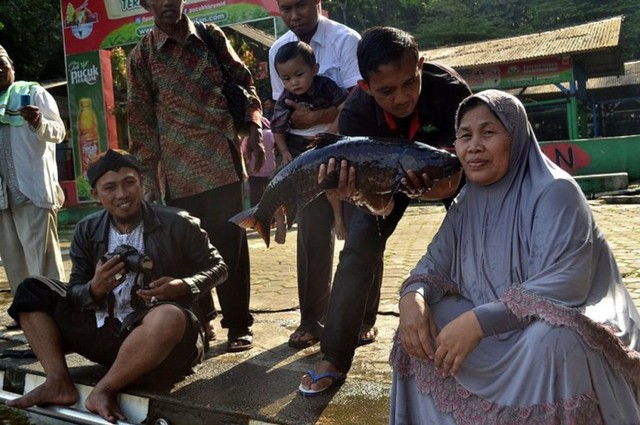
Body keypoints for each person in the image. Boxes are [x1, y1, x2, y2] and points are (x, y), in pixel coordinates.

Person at [389, 89, 640, 423]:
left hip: (562, 324)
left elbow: (566, 285)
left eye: (488, 132)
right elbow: (433, 264)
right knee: (418, 329)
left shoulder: (555, 192)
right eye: (465, 135)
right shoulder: (468, 202)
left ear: (516, 137)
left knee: (555, 342)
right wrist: (412, 297)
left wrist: (479, 322)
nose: (474, 145)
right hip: (500, 325)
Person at [299, 27, 472, 395]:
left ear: (421, 66)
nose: (402, 98)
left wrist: (442, 187)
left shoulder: (454, 94)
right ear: (365, 87)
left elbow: (469, 161)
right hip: (382, 182)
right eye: (386, 91)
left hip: (444, 172)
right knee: (358, 250)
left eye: (410, 83)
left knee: (475, 234)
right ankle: (333, 354)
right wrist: (354, 194)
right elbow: (370, 200)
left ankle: (490, 324)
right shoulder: (355, 118)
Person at [6, 149, 228, 423]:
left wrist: (183, 285)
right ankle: (57, 382)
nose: (122, 194)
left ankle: (104, 389)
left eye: (129, 183)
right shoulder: (87, 230)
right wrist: (94, 289)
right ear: (96, 194)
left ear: (141, 182)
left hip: (161, 346)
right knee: (32, 289)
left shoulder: (178, 221)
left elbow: (219, 268)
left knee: (168, 314)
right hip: (105, 335)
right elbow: (75, 290)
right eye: (110, 187)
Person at [127, 0, 264, 352]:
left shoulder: (210, 36)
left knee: (231, 246)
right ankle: (203, 321)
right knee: (188, 252)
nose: (168, 3)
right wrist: (148, 179)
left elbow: (244, 83)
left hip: (222, 164)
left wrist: (255, 132)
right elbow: (141, 122)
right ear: (146, 5)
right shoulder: (142, 57)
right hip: (177, 173)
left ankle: (238, 325)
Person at [269, 0, 361, 349]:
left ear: (318, 3)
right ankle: (312, 320)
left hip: (349, 148)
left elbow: (358, 99)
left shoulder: (345, 41)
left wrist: (323, 119)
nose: (294, 16)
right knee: (311, 235)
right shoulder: (278, 49)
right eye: (286, 8)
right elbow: (285, 112)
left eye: (302, 5)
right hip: (304, 156)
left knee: (357, 229)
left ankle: (362, 318)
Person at [0, 44, 66, 322]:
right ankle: (32, 322)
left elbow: (59, 131)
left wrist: (39, 122)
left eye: (2, 64)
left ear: (12, 67)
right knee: (15, 264)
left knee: (43, 262)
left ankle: (60, 317)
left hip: (33, 191)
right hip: (2, 199)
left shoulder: (33, 92)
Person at [271, 40, 349, 241]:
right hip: (295, 144)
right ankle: (279, 217)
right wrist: (284, 151)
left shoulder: (327, 86)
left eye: (299, 75)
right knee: (278, 181)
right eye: (286, 78)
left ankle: (339, 219)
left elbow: (345, 108)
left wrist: (331, 132)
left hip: (326, 142)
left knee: (330, 182)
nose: (294, 83)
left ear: (314, 69)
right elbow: (277, 128)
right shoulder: (285, 98)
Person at [241, 116, 277, 207]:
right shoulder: (271, 134)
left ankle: (256, 219)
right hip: (270, 172)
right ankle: (271, 219)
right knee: (271, 198)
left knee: (255, 201)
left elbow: (243, 152)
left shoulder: (248, 137)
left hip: (254, 173)